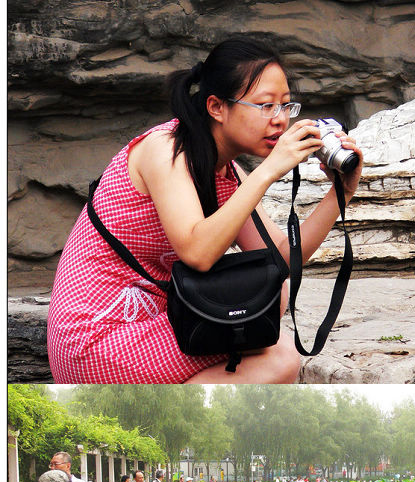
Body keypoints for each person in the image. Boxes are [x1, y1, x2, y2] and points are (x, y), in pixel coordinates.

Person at [47, 35, 363, 384]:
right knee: (281, 361)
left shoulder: (225, 170)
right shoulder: (165, 150)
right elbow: (197, 252)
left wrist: (340, 194)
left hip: (157, 318)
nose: (279, 119)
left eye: (286, 106)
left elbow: (283, 258)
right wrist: (270, 170)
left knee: (274, 291)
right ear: (216, 107)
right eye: (265, 106)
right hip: (96, 336)